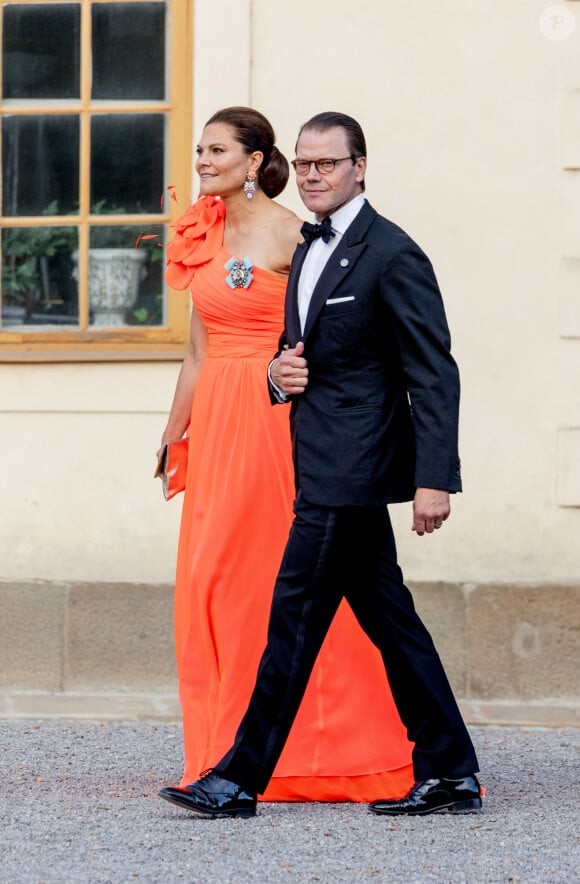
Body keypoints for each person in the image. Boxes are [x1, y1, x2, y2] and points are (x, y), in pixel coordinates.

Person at [159, 111, 482, 820]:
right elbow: (300, 357)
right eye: (305, 165)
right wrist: (276, 378)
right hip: (316, 457)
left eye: (327, 164)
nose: (313, 176)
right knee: (393, 624)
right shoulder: (311, 248)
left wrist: (434, 478)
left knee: (293, 616)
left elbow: (432, 373)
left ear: (360, 166)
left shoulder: (391, 252)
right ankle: (453, 770)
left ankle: (237, 777)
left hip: (351, 469)